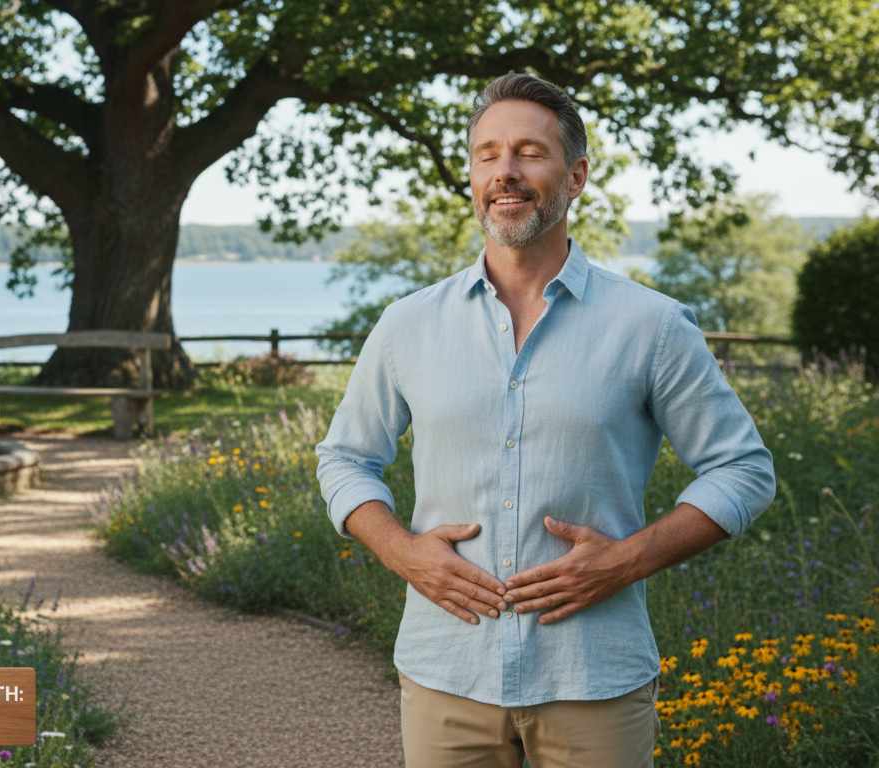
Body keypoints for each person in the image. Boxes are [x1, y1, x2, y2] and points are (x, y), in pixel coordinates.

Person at [313, 72, 776, 768]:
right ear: (471, 174)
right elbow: (345, 457)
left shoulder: (650, 326)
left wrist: (627, 560)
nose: (506, 172)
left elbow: (744, 468)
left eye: (530, 152)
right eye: (487, 153)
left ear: (577, 175)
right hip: (447, 669)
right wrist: (401, 551)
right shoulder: (407, 325)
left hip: (592, 675)